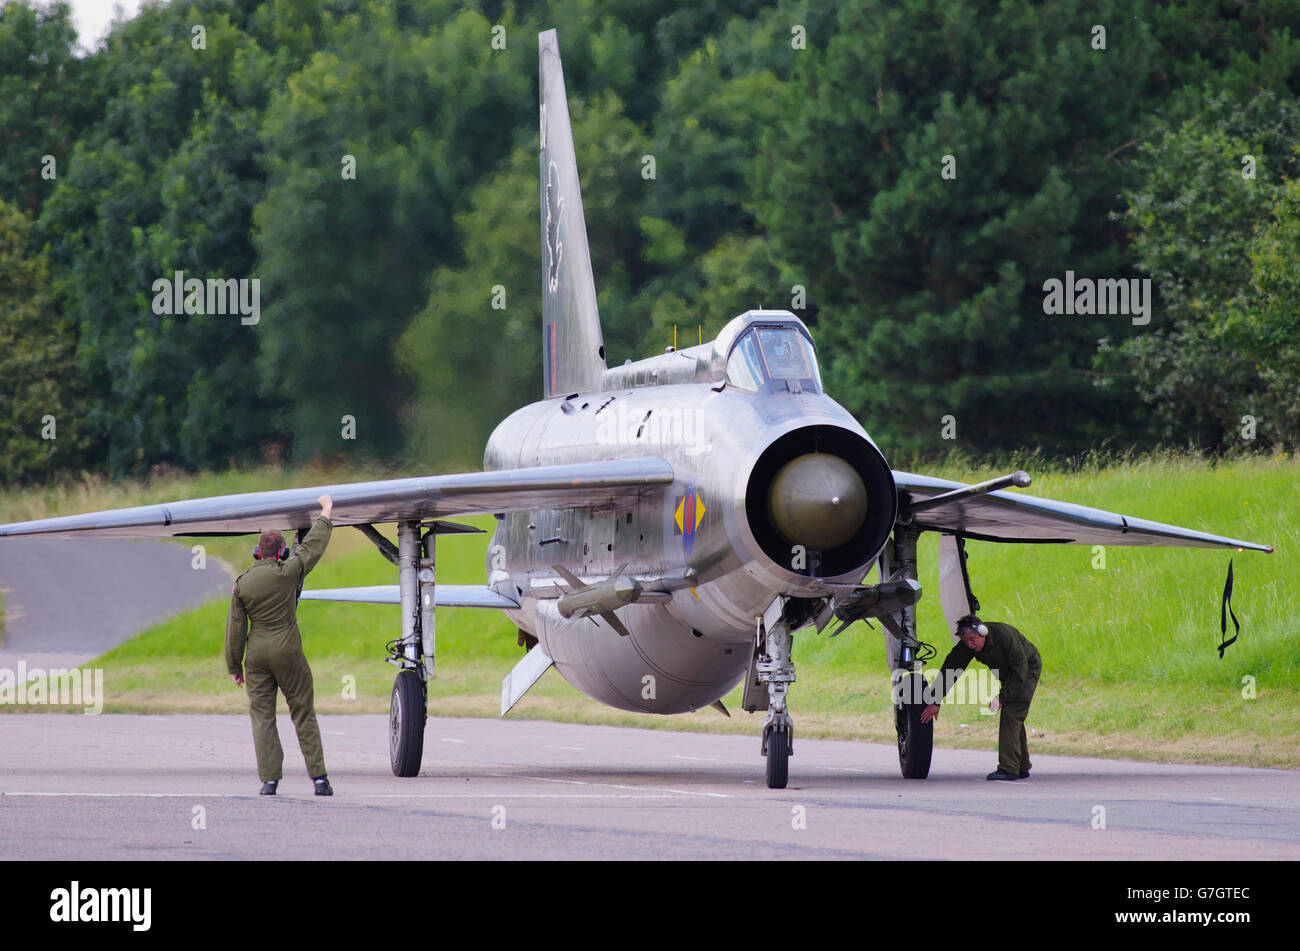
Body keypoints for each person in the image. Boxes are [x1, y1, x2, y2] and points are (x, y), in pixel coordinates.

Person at [226, 494, 335, 796]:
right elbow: (312, 549)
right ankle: (320, 780)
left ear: (257, 553)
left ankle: (269, 781)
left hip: (256, 655)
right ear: (283, 552)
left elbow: (235, 629)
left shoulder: (243, 583)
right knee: (303, 712)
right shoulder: (289, 573)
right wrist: (326, 513)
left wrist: (235, 666)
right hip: (288, 650)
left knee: (262, 717)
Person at [920, 614, 1041, 781]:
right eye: (965, 641)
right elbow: (951, 669)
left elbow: (1020, 670)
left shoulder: (1005, 636)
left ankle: (1009, 769)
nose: (970, 644)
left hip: (1027, 669)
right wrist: (935, 701)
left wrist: (1001, 698)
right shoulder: (967, 646)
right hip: (1008, 673)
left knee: (1012, 713)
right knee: (1013, 716)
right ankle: (1021, 766)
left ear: (982, 632)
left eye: (972, 639)